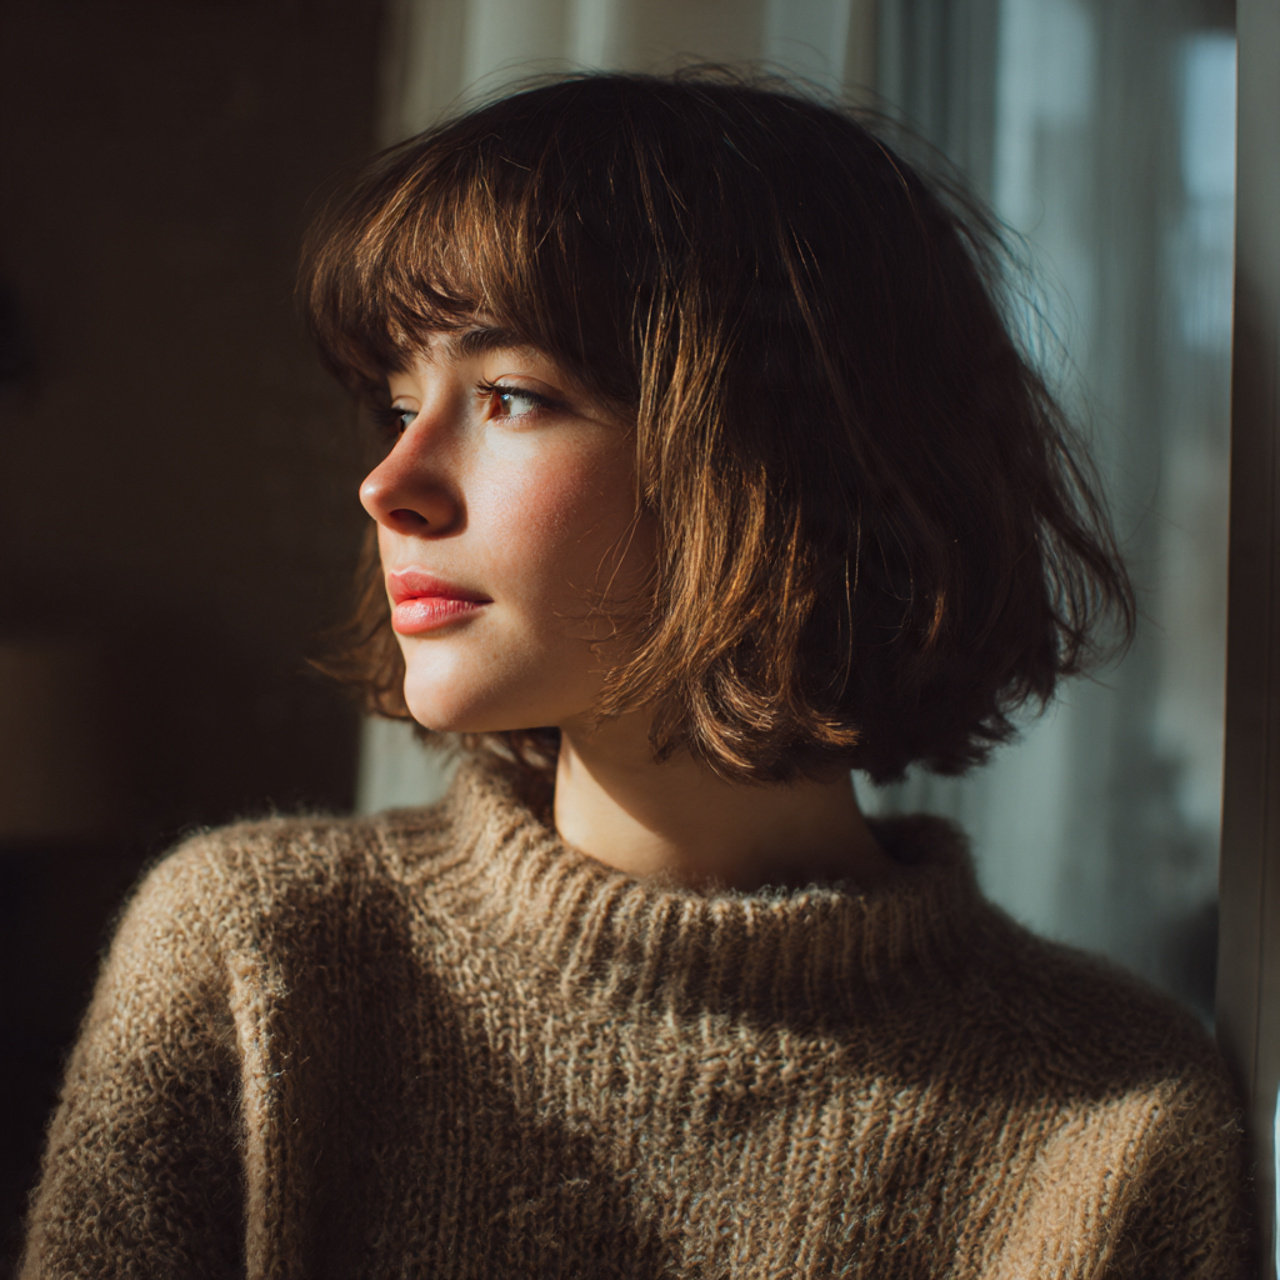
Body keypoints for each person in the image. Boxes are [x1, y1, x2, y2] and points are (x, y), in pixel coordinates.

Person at [20, 71, 1251, 1278]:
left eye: (507, 395)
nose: (388, 482)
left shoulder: (1115, 1121)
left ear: (787, 462)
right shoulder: (256, 956)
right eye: (399, 401)